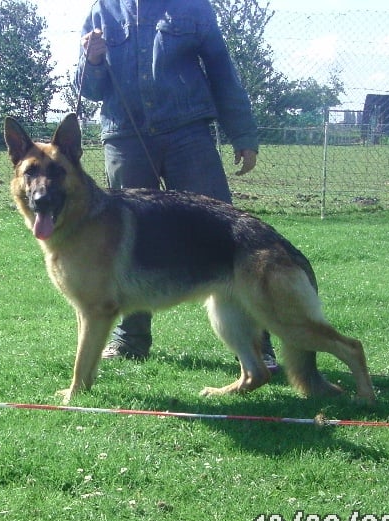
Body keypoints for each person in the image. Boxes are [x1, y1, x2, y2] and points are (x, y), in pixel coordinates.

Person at [75, 0, 277, 371]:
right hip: (124, 137)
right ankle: (130, 339)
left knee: (225, 233)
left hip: (188, 134)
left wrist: (243, 133)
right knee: (123, 243)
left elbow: (221, 71)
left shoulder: (194, 7)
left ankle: (258, 345)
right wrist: (94, 61)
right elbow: (88, 89)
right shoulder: (102, 10)